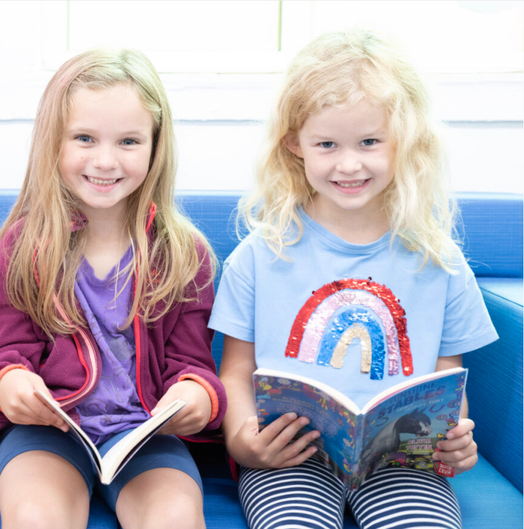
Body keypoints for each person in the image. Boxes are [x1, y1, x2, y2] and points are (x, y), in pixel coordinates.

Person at [209, 29, 498, 529]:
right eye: (327, 144)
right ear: (295, 145)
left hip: (403, 465)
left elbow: (448, 381)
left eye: (369, 142)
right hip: (290, 457)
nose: (349, 163)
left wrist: (454, 440)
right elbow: (236, 372)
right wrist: (242, 441)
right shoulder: (260, 254)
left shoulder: (440, 261)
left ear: (404, 142)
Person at [0, 48, 227, 529]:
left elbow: (192, 365)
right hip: (49, 431)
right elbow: (4, 356)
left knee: (175, 518)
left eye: (129, 141)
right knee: (35, 517)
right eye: (85, 138)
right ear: (55, 142)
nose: (105, 161)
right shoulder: (26, 244)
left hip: (145, 436)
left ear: (156, 145)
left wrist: (197, 397)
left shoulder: (182, 252)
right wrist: (11, 385)